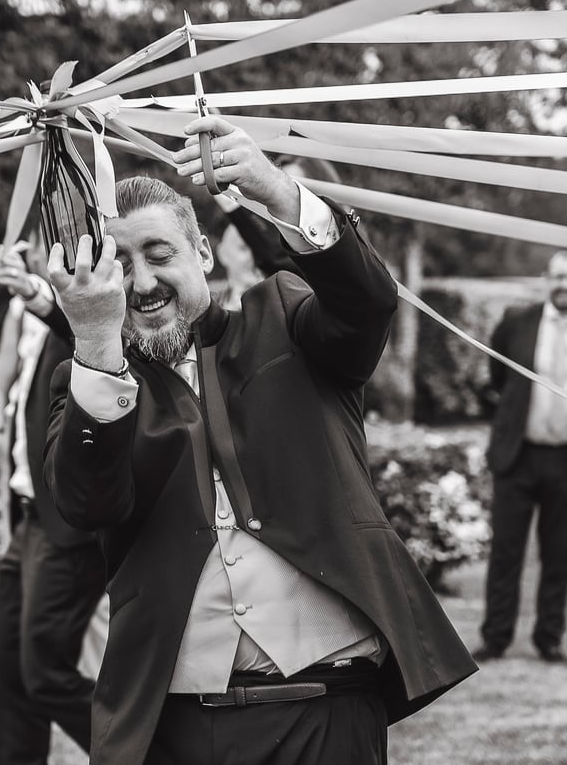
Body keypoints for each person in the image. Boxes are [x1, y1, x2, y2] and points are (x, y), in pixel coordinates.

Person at [43, 115, 477, 765]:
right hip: (178, 724)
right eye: (121, 267)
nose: (143, 283)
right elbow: (86, 504)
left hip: (328, 709)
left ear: (203, 253)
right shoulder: (89, 380)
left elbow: (366, 304)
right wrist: (97, 340)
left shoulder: (284, 316)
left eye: (159, 255)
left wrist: (277, 191)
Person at [0, 234, 106, 764]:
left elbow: (78, 324)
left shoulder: (91, 306)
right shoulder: (22, 316)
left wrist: (36, 292)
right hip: (28, 515)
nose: (34, 251)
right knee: (10, 673)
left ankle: (151, 753)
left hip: (67, 523)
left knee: (46, 674)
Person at [474, 251, 567, 664]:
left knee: (559, 553)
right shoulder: (517, 321)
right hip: (518, 456)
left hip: (564, 461)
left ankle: (549, 639)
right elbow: (496, 377)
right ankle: (495, 637)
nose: (564, 285)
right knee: (506, 552)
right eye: (559, 277)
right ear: (546, 279)